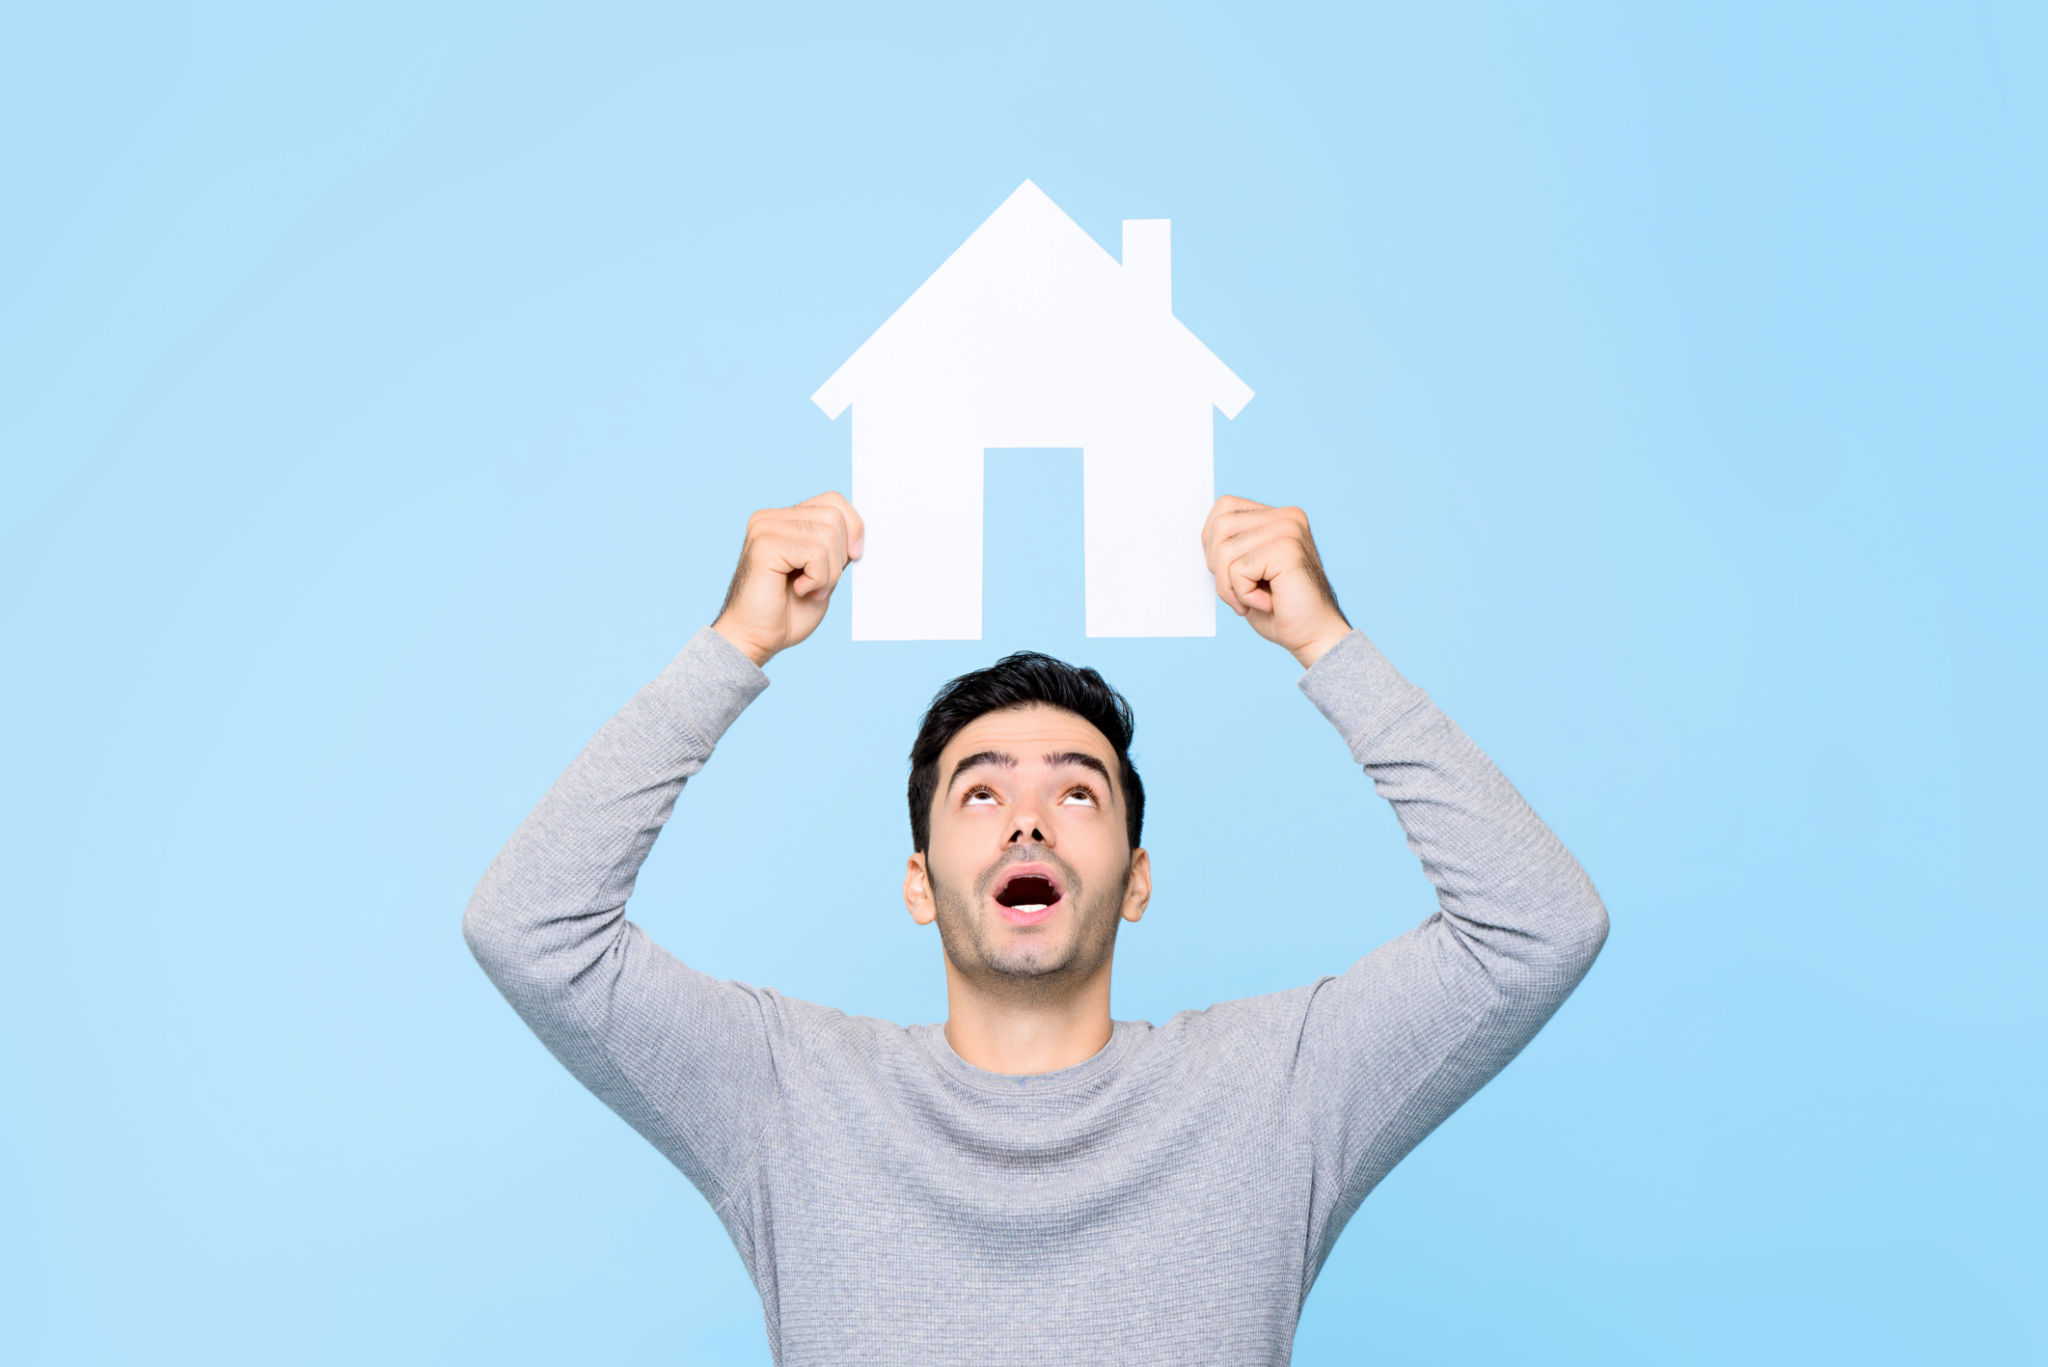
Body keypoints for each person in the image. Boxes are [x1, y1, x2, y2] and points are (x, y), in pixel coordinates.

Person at [463, 490, 1609, 1366]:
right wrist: (732, 646)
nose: (1026, 818)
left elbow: (1535, 925)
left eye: (1075, 790)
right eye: (978, 791)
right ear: (918, 883)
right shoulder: (785, 1095)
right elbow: (529, 927)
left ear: (1136, 877)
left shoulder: (1275, 1090)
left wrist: (1326, 641)